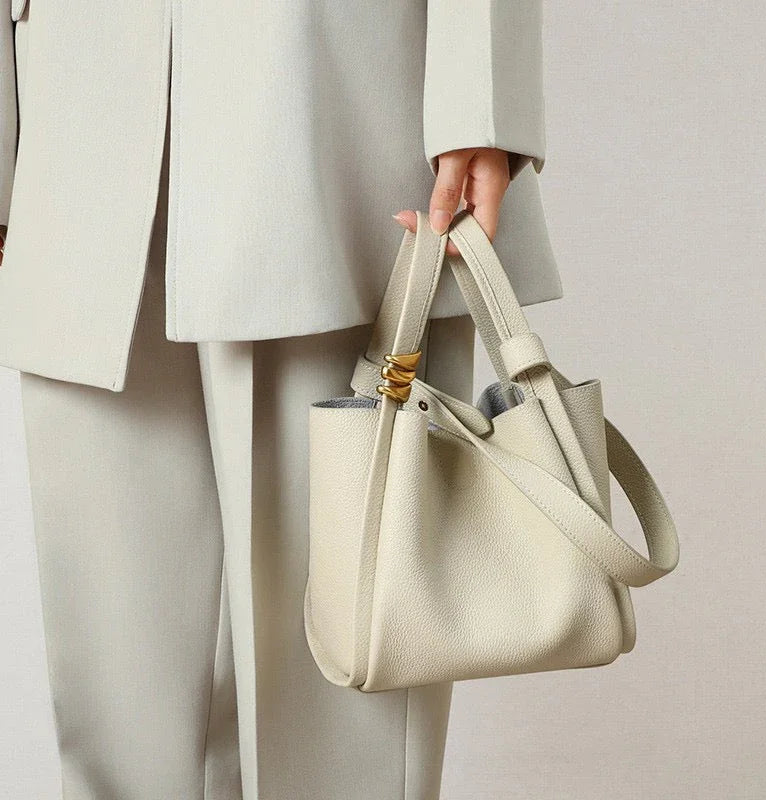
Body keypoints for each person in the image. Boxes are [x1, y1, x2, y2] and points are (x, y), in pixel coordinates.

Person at [0, 2, 562, 798]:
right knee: (118, 685)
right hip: (72, 111)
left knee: (342, 678)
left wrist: (482, 98)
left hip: (329, 102)